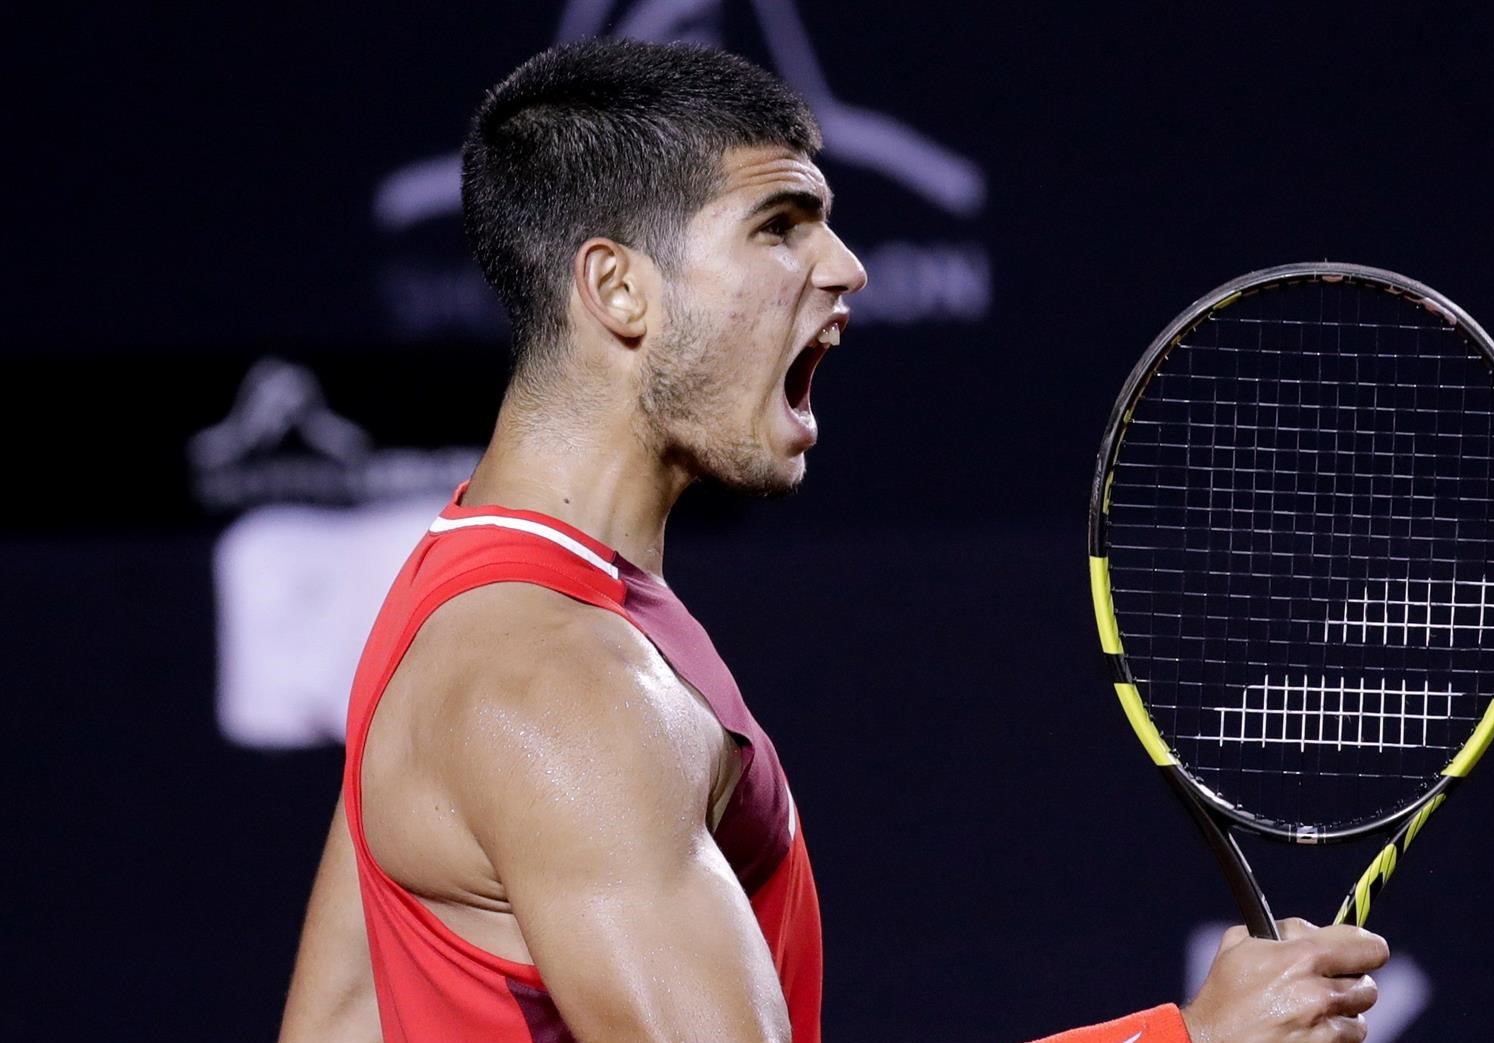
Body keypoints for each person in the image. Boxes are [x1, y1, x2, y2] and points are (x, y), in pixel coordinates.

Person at [276, 39, 1388, 1043]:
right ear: (618, 287)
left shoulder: (456, 586)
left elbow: (337, 1023)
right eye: (778, 224)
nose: (847, 266)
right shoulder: (561, 682)